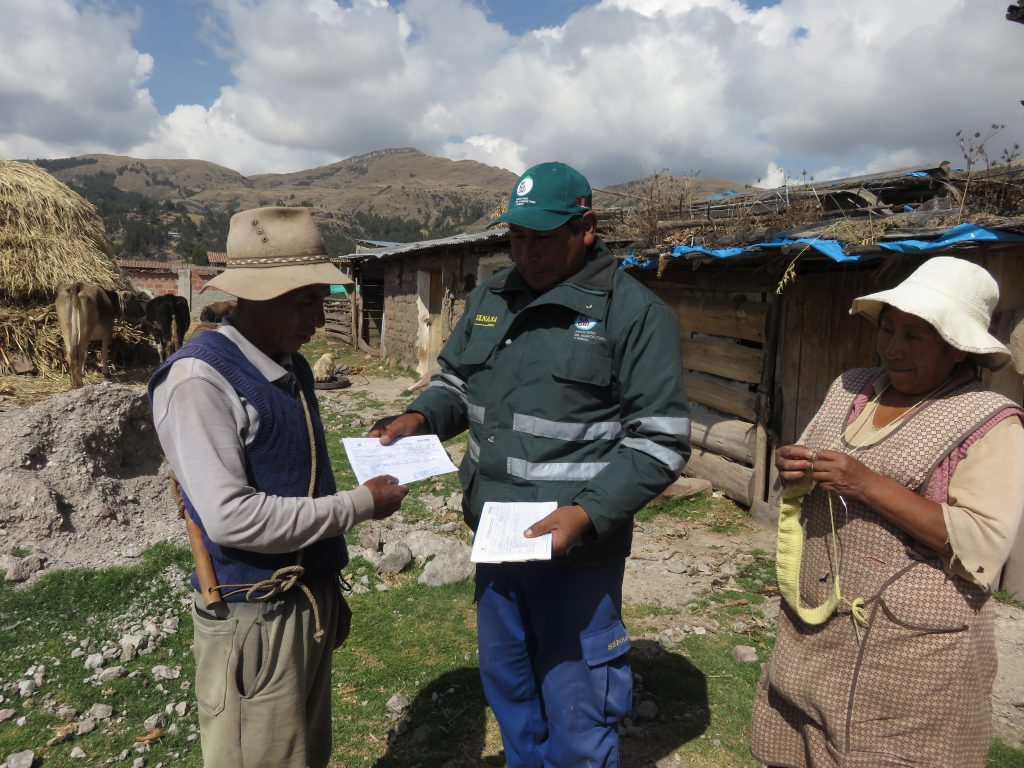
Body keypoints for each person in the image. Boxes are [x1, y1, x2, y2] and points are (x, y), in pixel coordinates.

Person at [369, 162, 691, 767]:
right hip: (498, 543)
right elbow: (457, 384)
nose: (527, 252)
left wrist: (584, 516)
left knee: (578, 708)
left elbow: (661, 441)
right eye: (517, 237)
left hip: (576, 554)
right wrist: (421, 417)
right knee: (511, 691)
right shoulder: (493, 296)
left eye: (542, 237)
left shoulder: (634, 313)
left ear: (586, 227)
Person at [148, 206, 409, 768]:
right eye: (305, 300)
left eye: (321, 298)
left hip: (302, 602)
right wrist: (361, 506)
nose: (320, 316)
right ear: (256, 297)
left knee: (303, 755)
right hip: (254, 619)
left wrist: (324, 588)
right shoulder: (199, 381)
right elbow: (232, 518)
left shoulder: (289, 364)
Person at [750, 256, 1024, 767]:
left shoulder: (990, 422)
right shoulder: (851, 387)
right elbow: (815, 453)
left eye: (915, 337)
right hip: (815, 626)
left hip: (910, 655)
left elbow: (984, 541)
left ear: (958, 348)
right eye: (888, 329)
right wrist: (795, 465)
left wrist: (866, 484)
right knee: (794, 746)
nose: (893, 349)